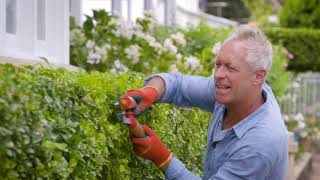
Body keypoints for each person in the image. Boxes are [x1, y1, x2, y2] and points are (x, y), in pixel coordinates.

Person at [122, 25, 289, 180]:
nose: (218, 75)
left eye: (231, 68)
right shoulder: (236, 91)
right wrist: (150, 92)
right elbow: (178, 85)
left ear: (258, 76)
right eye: (218, 65)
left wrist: (162, 158)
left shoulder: (260, 144)